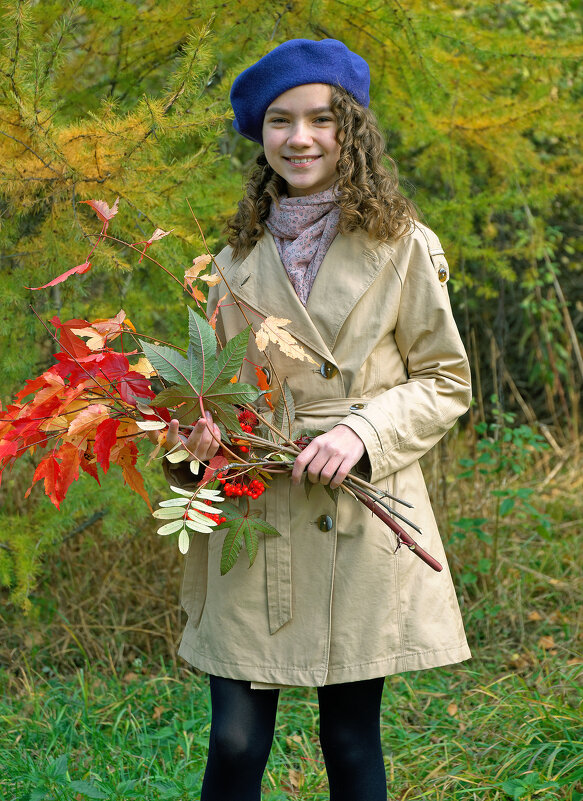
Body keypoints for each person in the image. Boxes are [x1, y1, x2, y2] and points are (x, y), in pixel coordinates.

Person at [162, 38, 472, 801]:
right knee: (234, 739)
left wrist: (360, 433)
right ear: (258, 135)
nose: (300, 137)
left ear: (350, 130)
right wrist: (196, 440)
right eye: (280, 121)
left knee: (348, 736)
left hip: (356, 517)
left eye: (320, 119)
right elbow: (214, 395)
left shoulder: (403, 245)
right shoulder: (230, 261)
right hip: (257, 512)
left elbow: (445, 378)